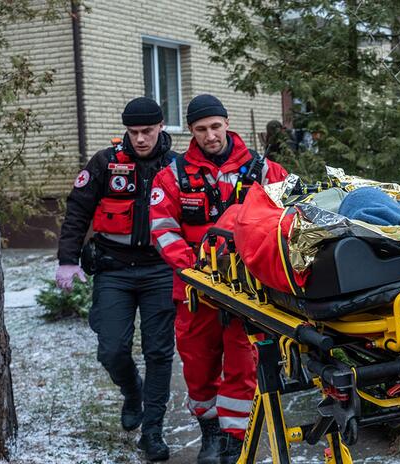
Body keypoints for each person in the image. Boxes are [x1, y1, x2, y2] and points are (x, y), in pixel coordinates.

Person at [149, 94, 288, 464]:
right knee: (198, 365)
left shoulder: (264, 170)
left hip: (248, 290)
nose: (210, 135)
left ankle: (231, 441)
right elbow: (163, 229)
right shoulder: (173, 176)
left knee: (243, 364)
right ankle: (209, 428)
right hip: (196, 289)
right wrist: (195, 269)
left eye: (215, 126)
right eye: (200, 129)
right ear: (191, 131)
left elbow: (289, 218)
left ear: (226, 123)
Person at [56, 97, 178, 461]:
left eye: (147, 131)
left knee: (159, 352)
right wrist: (67, 259)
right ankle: (131, 390)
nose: (140, 139)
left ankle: (152, 432)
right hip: (114, 268)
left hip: (159, 269)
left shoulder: (177, 166)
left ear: (161, 127)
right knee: (111, 348)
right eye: (133, 132)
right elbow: (78, 209)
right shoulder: (106, 163)